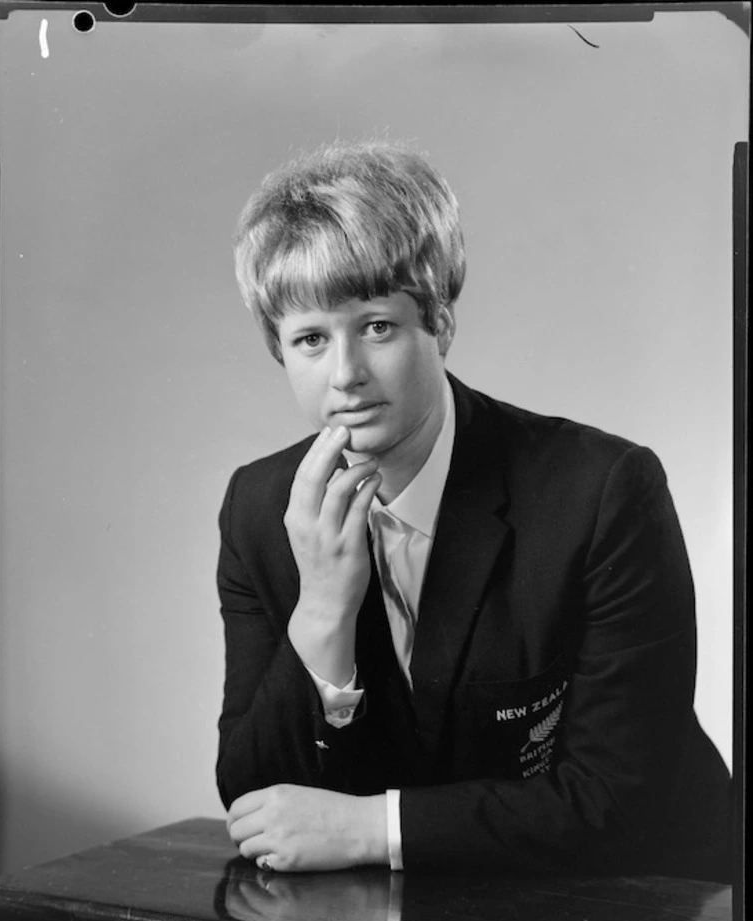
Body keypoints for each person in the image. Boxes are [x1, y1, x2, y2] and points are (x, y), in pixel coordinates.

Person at [216, 139, 732, 879]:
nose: (346, 376)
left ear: (441, 324)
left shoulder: (604, 490)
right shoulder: (258, 510)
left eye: (377, 326)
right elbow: (252, 799)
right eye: (309, 339)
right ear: (280, 353)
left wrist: (372, 828)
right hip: (430, 907)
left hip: (650, 897)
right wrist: (323, 608)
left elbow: (619, 800)